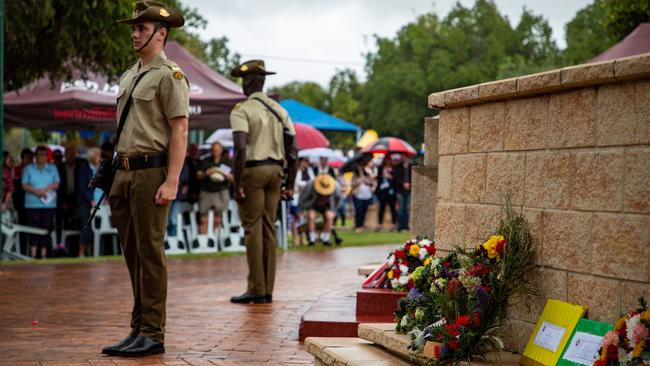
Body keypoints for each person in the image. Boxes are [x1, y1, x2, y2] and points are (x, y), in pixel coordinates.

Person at [102, 1, 188, 358]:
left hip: (152, 173)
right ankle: (138, 328)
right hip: (123, 173)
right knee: (133, 255)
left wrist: (172, 180)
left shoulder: (171, 75)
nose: (135, 33)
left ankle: (153, 332)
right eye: (134, 28)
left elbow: (179, 130)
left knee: (151, 254)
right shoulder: (128, 75)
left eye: (142, 28)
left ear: (161, 33)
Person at [229, 59, 298, 304]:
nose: (242, 86)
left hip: (254, 171)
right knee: (269, 227)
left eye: (243, 81)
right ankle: (267, 289)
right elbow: (294, 150)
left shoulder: (242, 109)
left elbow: (239, 149)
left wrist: (237, 183)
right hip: (276, 171)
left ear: (248, 82)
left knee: (252, 228)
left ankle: (256, 288)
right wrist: (290, 183)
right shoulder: (280, 110)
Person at [21, 145, 60, 259]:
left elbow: (56, 184)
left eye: (44, 155)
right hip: (32, 204)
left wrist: (46, 189)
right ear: (35, 156)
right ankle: (33, 253)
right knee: (34, 227)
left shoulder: (52, 168)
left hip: (48, 204)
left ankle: (43, 253)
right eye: (39, 155)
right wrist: (36, 191)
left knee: (46, 227)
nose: (41, 157)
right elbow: (24, 185)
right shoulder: (29, 168)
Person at [196, 142, 232, 235]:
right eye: (213, 150)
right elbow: (198, 176)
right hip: (207, 191)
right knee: (203, 218)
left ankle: (217, 240)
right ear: (211, 150)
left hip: (221, 191)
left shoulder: (227, 162)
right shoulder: (204, 161)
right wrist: (207, 173)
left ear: (221, 150)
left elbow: (233, 178)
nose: (215, 151)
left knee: (218, 218)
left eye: (217, 150)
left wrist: (223, 173)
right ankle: (203, 241)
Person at [56, 144, 86, 254]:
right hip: (63, 199)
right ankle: (61, 247)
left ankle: (75, 248)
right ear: (65, 155)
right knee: (62, 223)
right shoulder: (60, 168)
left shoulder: (80, 166)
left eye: (73, 154)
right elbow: (59, 187)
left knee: (78, 224)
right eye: (68, 154)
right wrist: (63, 201)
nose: (71, 156)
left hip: (77, 200)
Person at [299, 174, 341, 246]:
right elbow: (302, 198)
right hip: (313, 205)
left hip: (327, 206)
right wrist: (302, 210)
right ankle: (312, 239)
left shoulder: (334, 186)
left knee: (330, 216)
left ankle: (325, 238)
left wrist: (334, 210)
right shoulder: (310, 184)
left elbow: (338, 198)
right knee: (311, 216)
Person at [77, 147, 103, 257]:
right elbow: (82, 188)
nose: (100, 158)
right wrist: (91, 200)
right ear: (92, 157)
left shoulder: (101, 169)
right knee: (86, 227)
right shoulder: (84, 169)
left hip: (100, 203)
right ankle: (81, 252)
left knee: (98, 228)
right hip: (86, 203)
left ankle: (93, 252)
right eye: (98, 156)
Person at [290, 157, 314, 245]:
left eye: (307, 161)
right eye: (305, 161)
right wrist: (306, 185)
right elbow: (297, 183)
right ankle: (295, 237)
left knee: (302, 219)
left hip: (305, 198)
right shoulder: (296, 171)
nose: (306, 163)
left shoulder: (309, 171)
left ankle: (302, 237)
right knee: (297, 218)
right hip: (296, 198)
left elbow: (313, 181)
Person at [351, 155, 375, 233]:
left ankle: (362, 225)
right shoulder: (355, 173)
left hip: (366, 194)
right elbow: (352, 184)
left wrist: (366, 180)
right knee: (358, 210)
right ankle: (358, 225)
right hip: (357, 194)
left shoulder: (367, 171)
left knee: (364, 210)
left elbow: (372, 182)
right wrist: (359, 181)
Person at [375, 156, 397, 231]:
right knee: (381, 207)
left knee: (392, 208)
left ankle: (393, 224)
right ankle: (379, 224)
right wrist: (382, 175)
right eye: (386, 159)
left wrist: (389, 176)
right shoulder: (380, 168)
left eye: (389, 159)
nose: (387, 161)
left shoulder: (394, 168)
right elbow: (378, 178)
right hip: (382, 190)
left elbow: (396, 179)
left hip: (391, 190)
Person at [392, 153, 411, 231]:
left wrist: (409, 183)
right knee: (400, 207)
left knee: (407, 207)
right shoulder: (397, 167)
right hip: (400, 189)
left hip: (409, 189)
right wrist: (403, 183)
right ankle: (400, 225)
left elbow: (412, 177)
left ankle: (406, 225)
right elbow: (396, 178)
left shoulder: (410, 167)